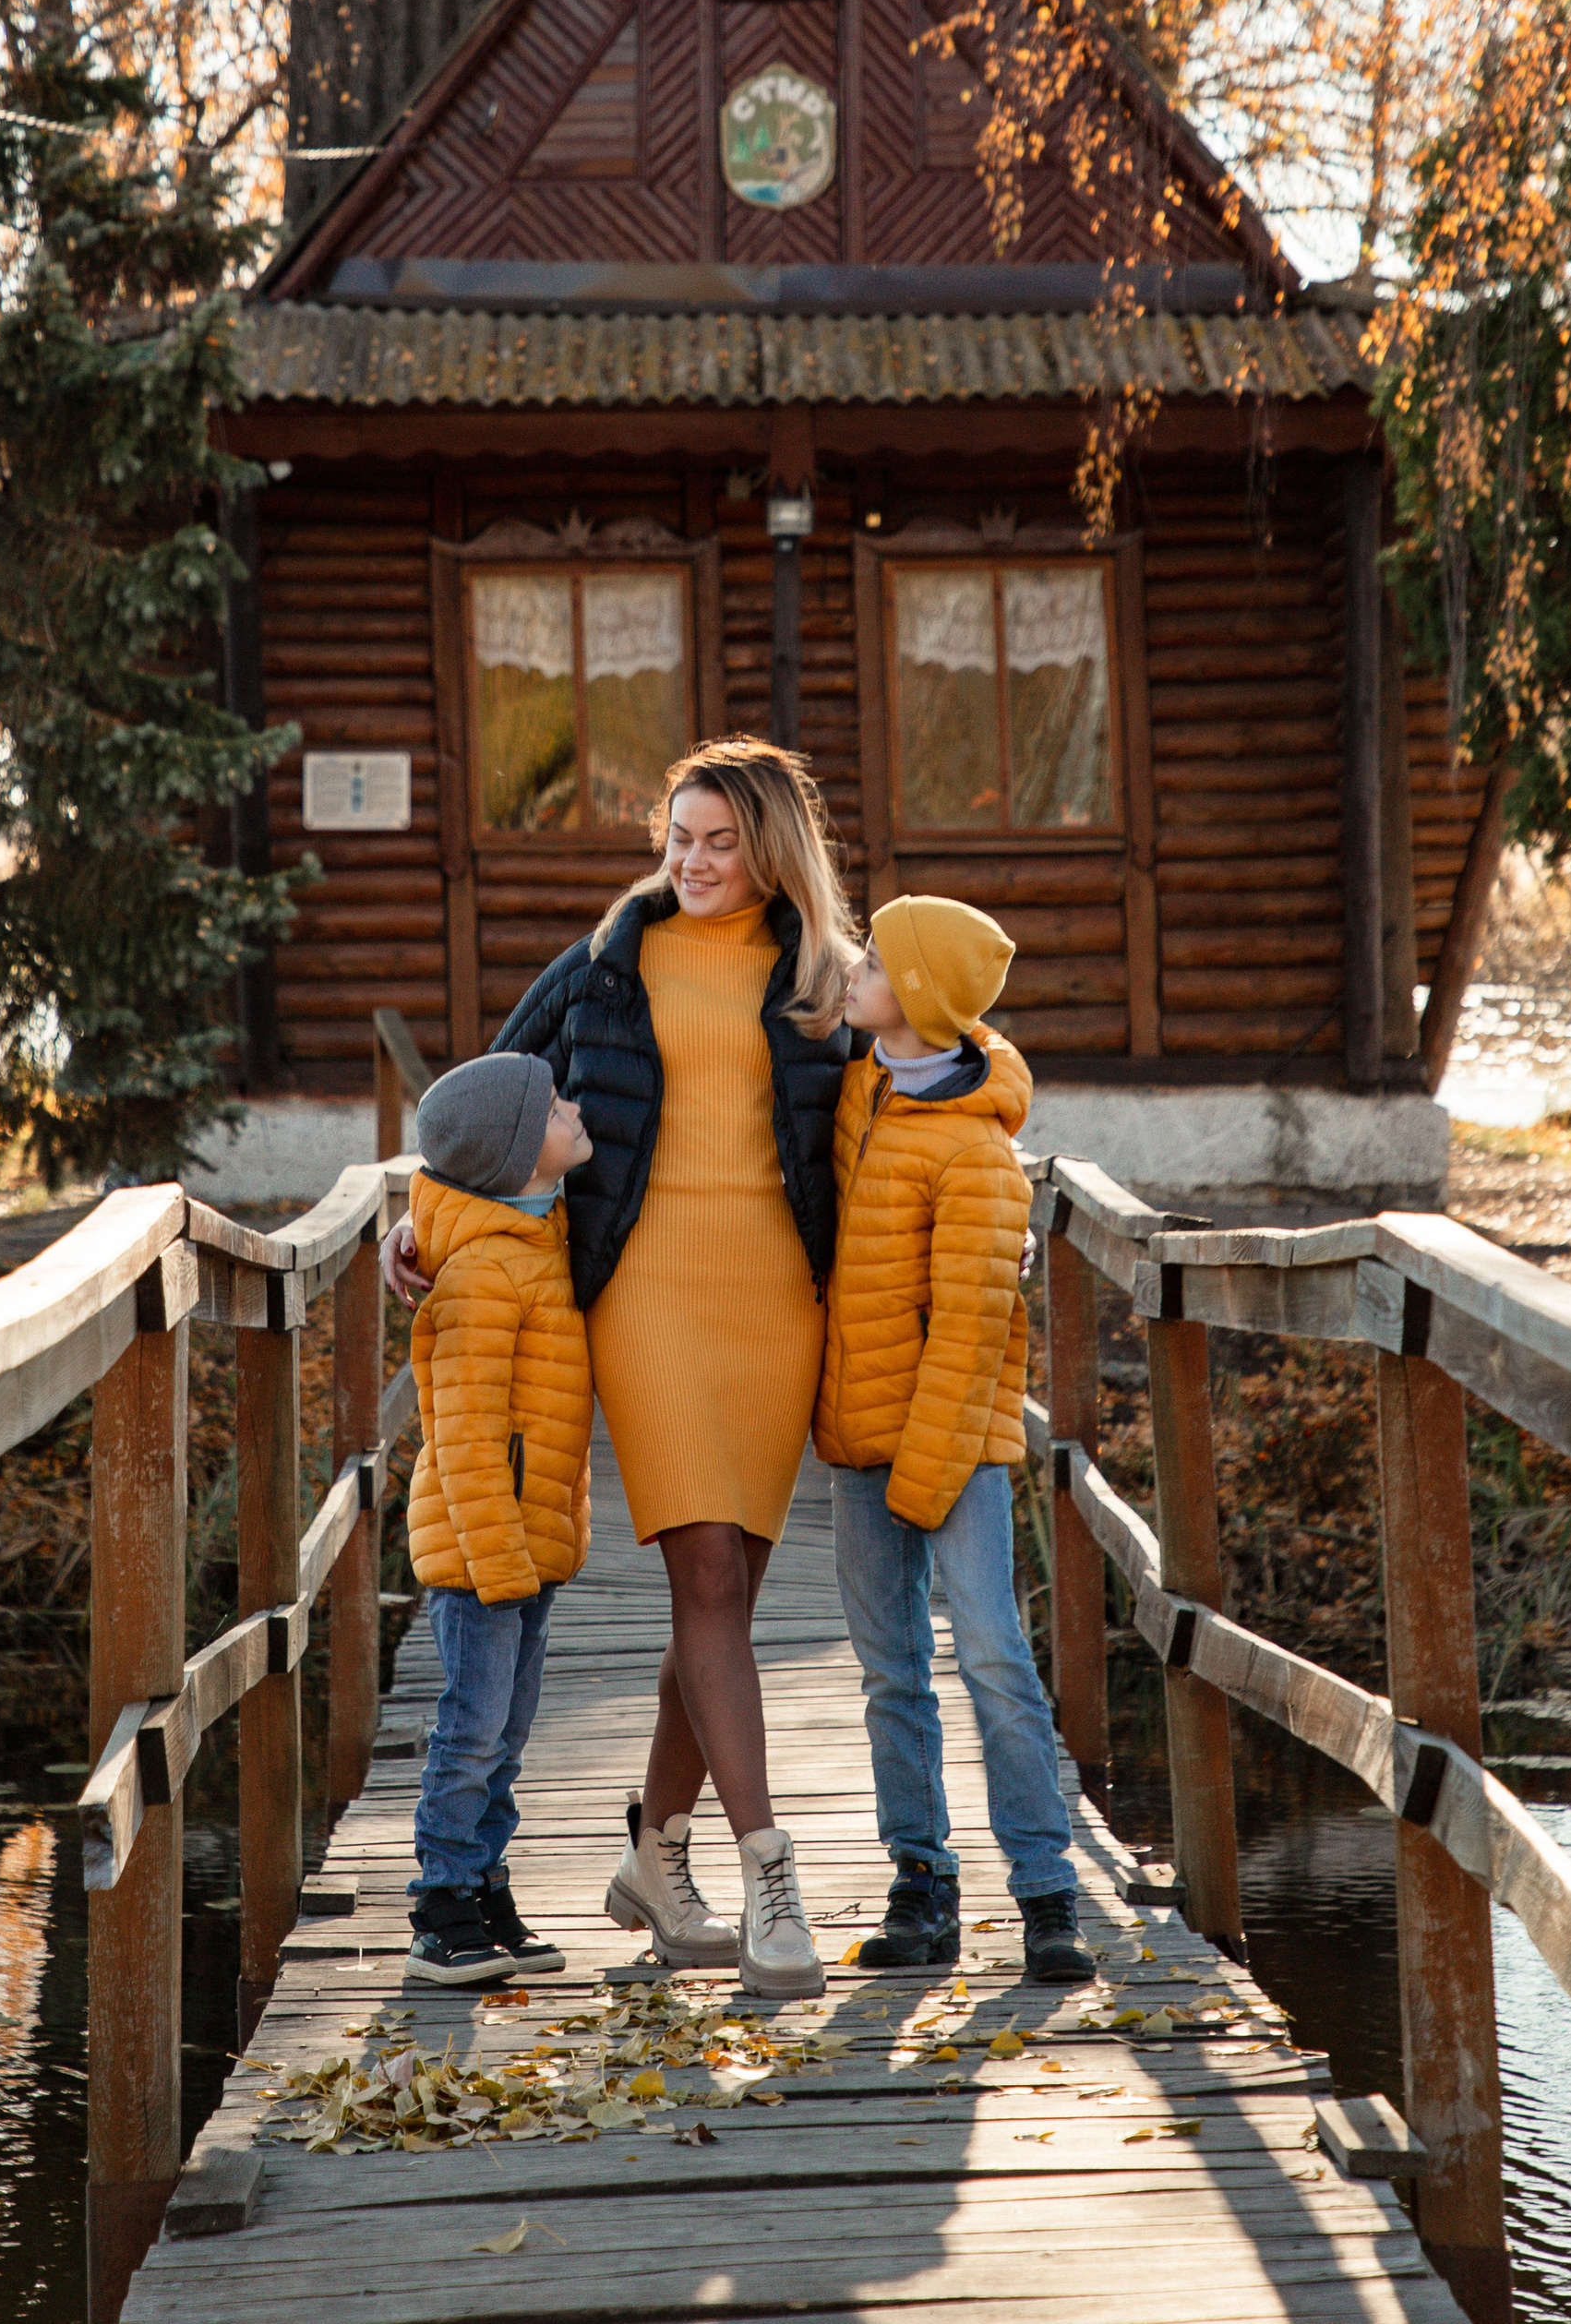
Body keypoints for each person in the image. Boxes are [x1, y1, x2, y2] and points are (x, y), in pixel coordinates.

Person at [388, 738, 854, 1997]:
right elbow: (477, 1114)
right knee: (705, 1575)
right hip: (644, 1298)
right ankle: (770, 1879)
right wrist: (414, 1226)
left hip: (779, 1308)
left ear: (770, 851)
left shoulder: (823, 975)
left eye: (718, 843)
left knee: (726, 1606)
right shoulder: (606, 961)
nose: (691, 863)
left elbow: (907, 1102)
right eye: (678, 839)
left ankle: (654, 1862)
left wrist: (997, 1218)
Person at [815, 893, 1097, 1983]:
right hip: (859, 1433)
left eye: (873, 963)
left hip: (952, 1448)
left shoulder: (976, 1154)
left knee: (989, 1654)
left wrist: (921, 1478)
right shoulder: (861, 1092)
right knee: (890, 1670)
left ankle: (1046, 1892)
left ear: (920, 996)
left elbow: (973, 1335)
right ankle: (921, 1883)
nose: (853, 972)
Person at [402, 1050, 596, 1987]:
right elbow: (465, 1438)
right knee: (472, 1730)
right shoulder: (483, 1273)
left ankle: (483, 1884)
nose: (575, 1109)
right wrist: (500, 1561)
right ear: (517, 1156)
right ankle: (439, 1905)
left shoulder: (540, 1234)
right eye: (555, 1107)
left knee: (507, 1735)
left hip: (530, 1539)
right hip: (486, 1552)